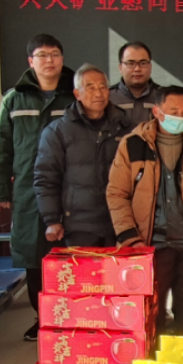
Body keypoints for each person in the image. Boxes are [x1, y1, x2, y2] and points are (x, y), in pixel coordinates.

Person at [106, 86, 183, 334]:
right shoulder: (133, 144)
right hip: (149, 244)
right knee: (149, 314)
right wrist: (130, 237)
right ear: (157, 112)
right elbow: (117, 194)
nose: (180, 117)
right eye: (174, 111)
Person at [0, 33, 75, 342]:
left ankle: (73, 316)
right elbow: (1, 147)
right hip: (27, 191)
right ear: (31, 61)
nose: (49, 61)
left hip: (70, 188)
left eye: (55, 54)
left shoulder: (75, 94)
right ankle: (43, 319)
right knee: (34, 257)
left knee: (70, 255)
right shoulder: (14, 99)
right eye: (42, 55)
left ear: (62, 58)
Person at [34, 64, 134, 247]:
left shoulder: (126, 127)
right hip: (78, 226)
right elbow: (46, 178)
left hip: (120, 223)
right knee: (83, 267)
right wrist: (52, 219)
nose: (98, 93)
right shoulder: (58, 131)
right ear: (77, 94)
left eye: (103, 87)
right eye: (90, 87)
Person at [109, 41, 159, 125]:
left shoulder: (164, 96)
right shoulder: (108, 98)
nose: (137, 69)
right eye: (130, 63)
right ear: (120, 68)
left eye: (143, 63)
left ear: (150, 67)